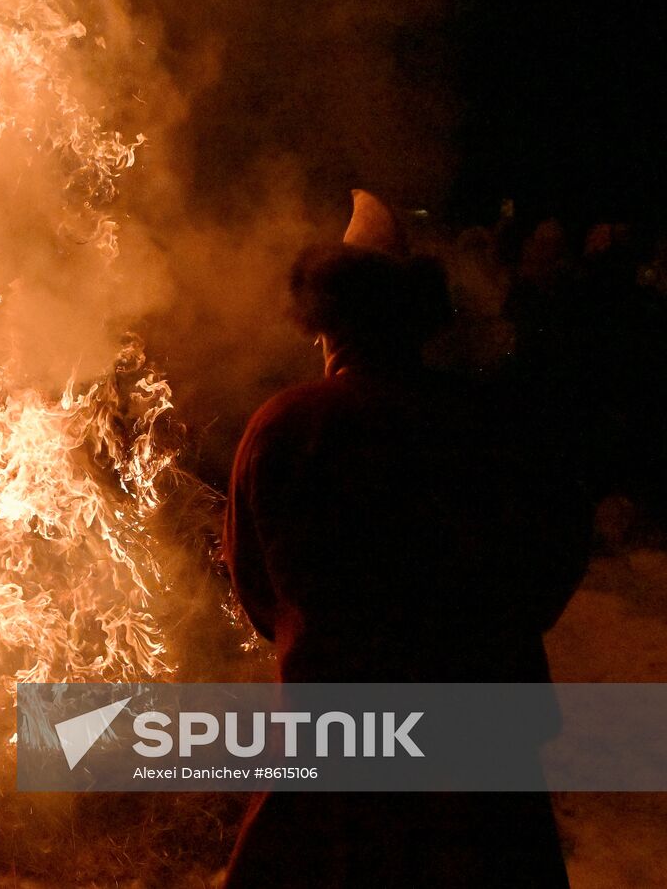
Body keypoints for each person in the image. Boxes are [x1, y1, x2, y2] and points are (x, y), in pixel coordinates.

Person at [222, 191, 590, 887]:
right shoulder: (488, 427)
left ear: (326, 320)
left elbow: (258, 592)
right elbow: (555, 552)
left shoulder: (285, 427)